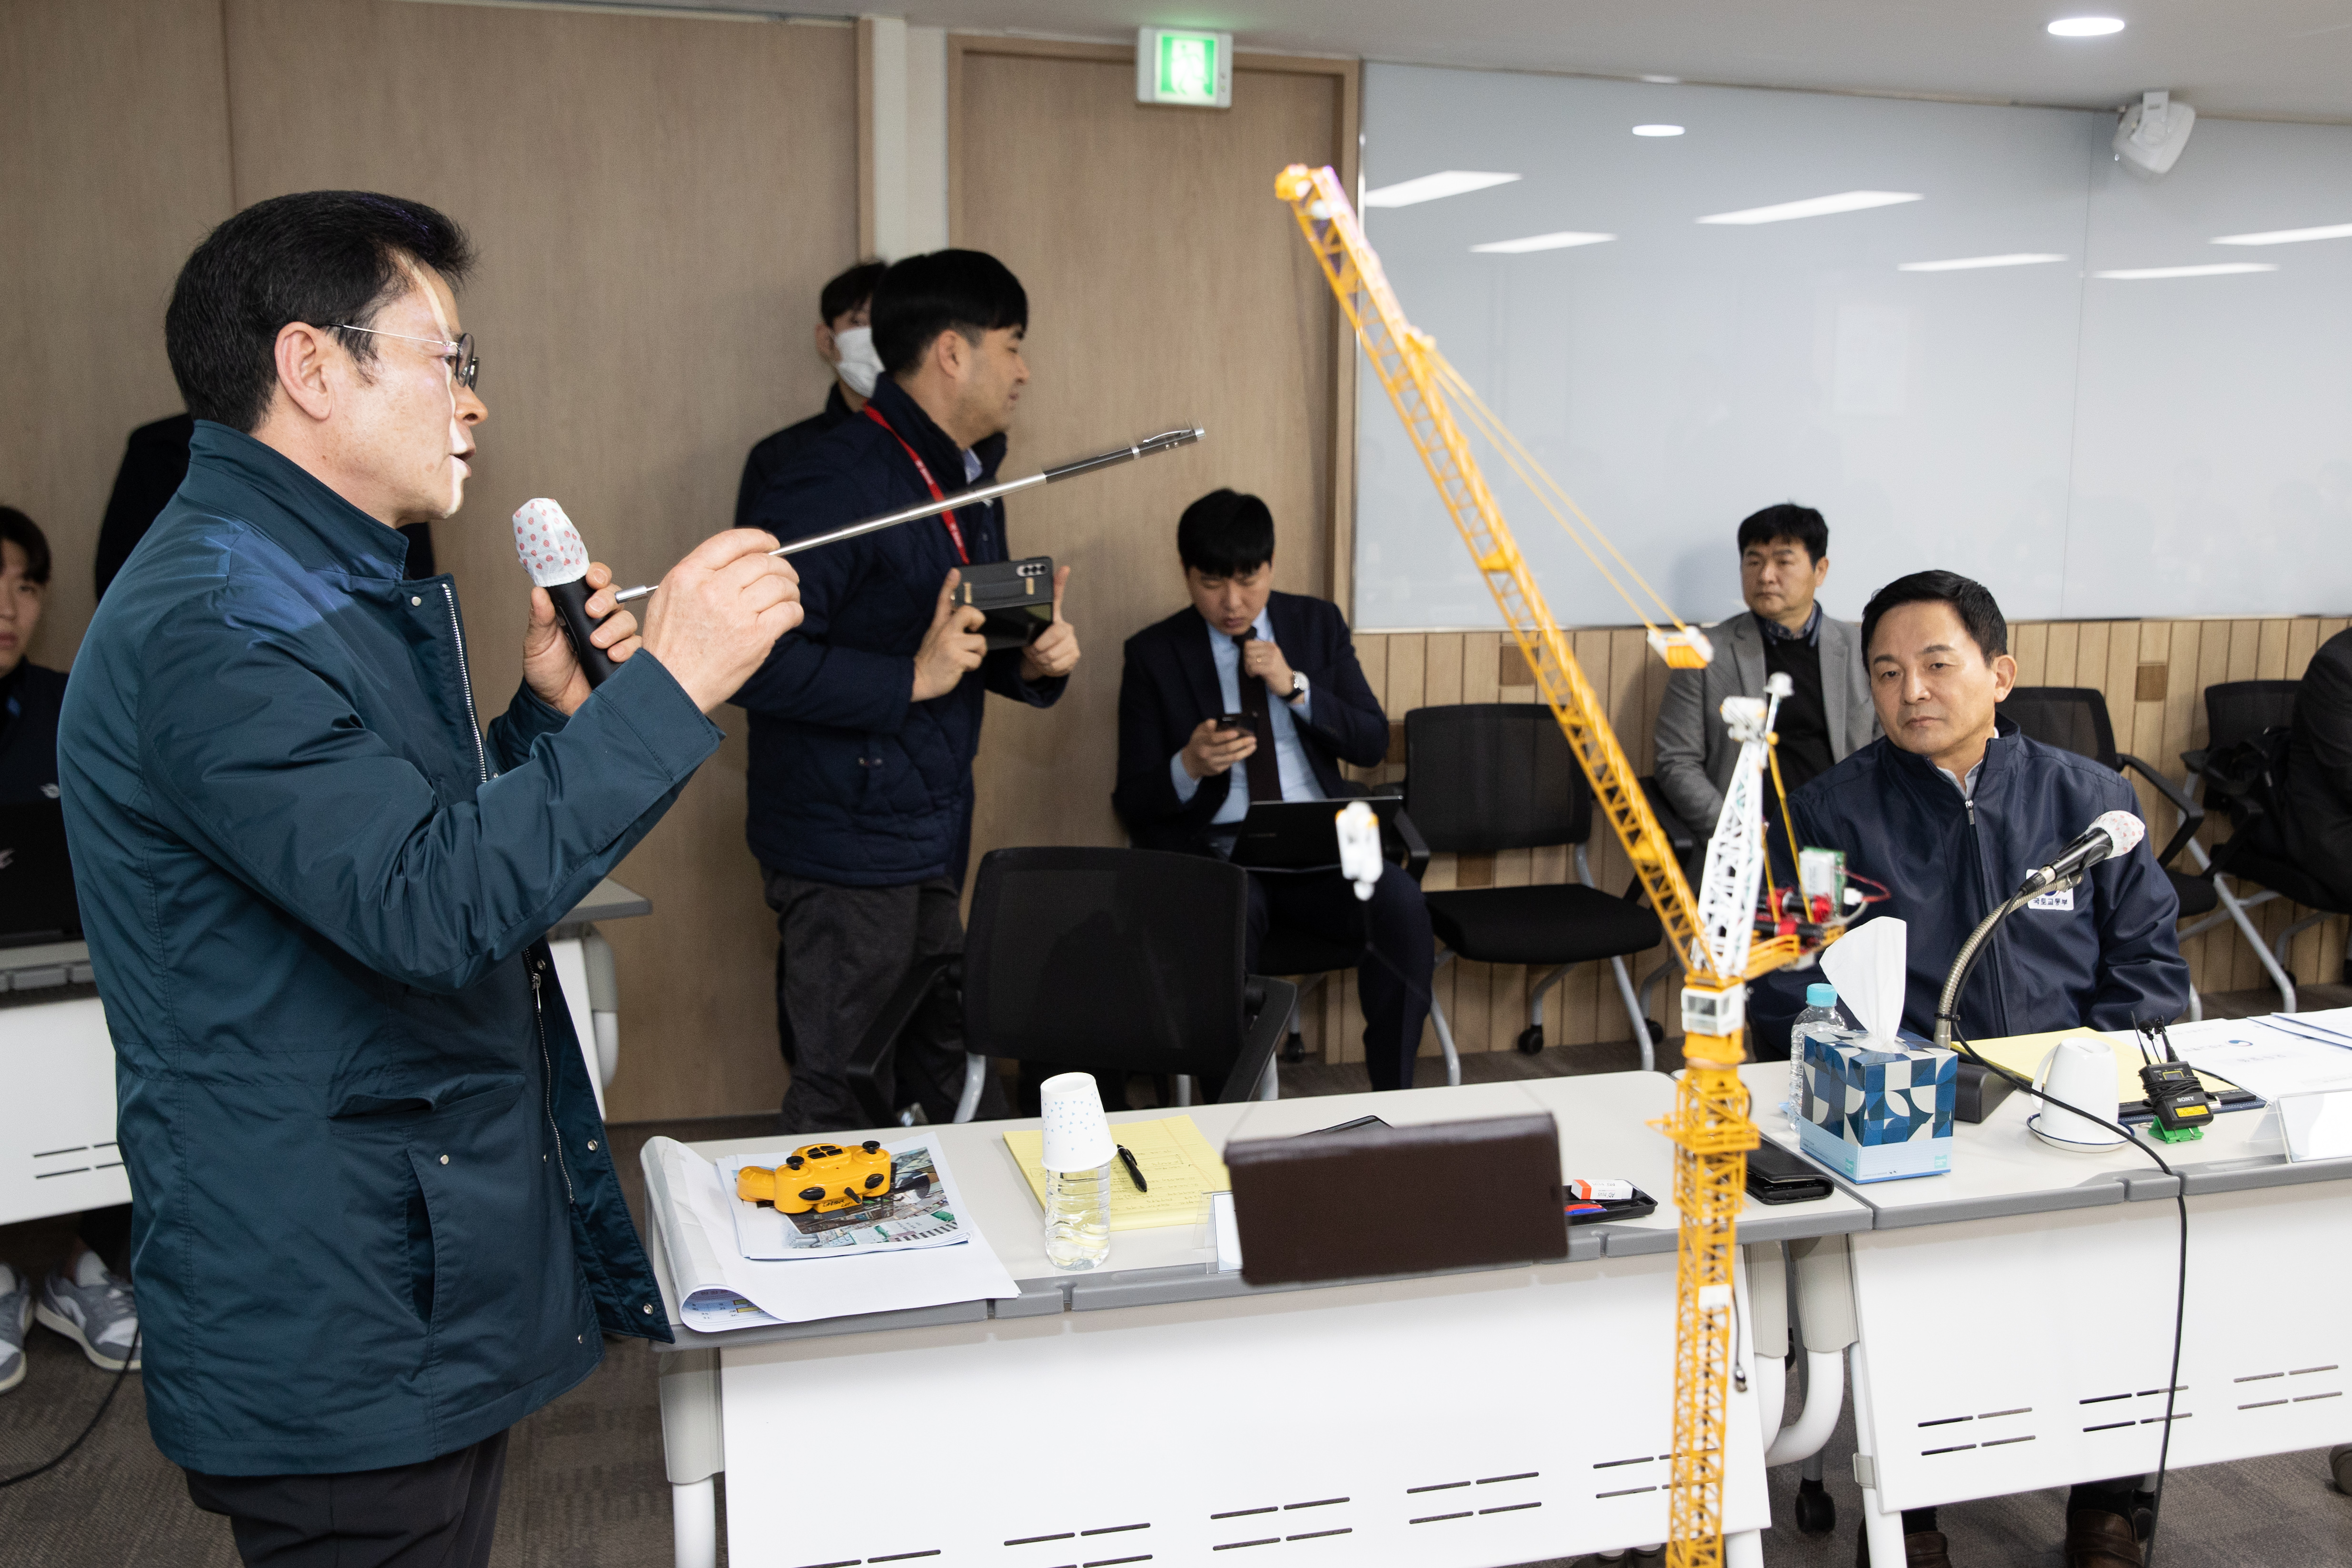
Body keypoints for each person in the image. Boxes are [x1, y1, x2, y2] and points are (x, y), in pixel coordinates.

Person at [57, 190, 798, 1567]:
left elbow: (394, 846)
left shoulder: (300, 581)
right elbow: (425, 905)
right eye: (445, 357)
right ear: (311, 365)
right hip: (336, 1293)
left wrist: (548, 727)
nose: (471, 404)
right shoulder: (219, 620)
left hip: (398, 1262)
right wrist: (679, 682)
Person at [1784, 569, 2189, 1568]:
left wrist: (2084, 1079)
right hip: (1912, 1115)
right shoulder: (1830, 810)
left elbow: (2148, 967)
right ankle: (1911, 1514)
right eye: (1886, 671)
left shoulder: (2090, 802)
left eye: (1935, 663)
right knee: (1915, 1302)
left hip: (2069, 1106)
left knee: (2119, 1283)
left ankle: (2106, 1502)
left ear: (1998, 672)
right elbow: (1785, 978)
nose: (1911, 690)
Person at [736, 249, 1078, 1134]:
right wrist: (910, 678)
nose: (1025, 370)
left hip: (927, 828)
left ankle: (963, 1264)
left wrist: (1031, 663)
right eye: (1013, 345)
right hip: (846, 841)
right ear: (952, 354)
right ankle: (821, 1264)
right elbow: (753, 656)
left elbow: (957, 633)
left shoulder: (968, 477)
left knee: (949, 1068)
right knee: (846, 1085)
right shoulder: (836, 478)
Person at [1113, 489, 1434, 1092]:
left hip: (1326, 838)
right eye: (1210, 582)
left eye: (1248, 579)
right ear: (1184, 573)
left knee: (1403, 907)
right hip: (1223, 851)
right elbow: (1130, 798)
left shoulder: (1316, 624)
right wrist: (1187, 764)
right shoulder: (1154, 654)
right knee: (1223, 925)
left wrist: (1296, 687)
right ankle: (1228, 1114)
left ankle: (1396, 1096)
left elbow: (1368, 742)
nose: (1232, 602)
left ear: (1271, 564)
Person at [734, 259, 888, 1071]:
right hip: (819, 788)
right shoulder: (788, 461)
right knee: (829, 1032)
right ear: (828, 339)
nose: (872, 334)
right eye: (856, 318)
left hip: (913, 793)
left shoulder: (944, 463)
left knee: (910, 1019)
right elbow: (759, 638)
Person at [0, 506, 140, 1397]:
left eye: (25, 586)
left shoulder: (69, 702)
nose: (8, 606)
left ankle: (93, 1262)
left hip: (75, 966)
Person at [1654, 503, 1874, 867]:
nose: (1766, 575)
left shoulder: (1861, 650)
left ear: (1820, 570)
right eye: (1754, 561)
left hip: (1844, 837)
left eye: (1783, 561)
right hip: (1747, 847)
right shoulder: (1704, 653)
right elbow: (1676, 761)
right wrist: (1735, 831)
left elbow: (1886, 748)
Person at [734, 259, 888, 530]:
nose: (875, 339)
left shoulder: (940, 450)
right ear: (826, 340)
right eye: (860, 322)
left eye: (888, 322)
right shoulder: (778, 458)